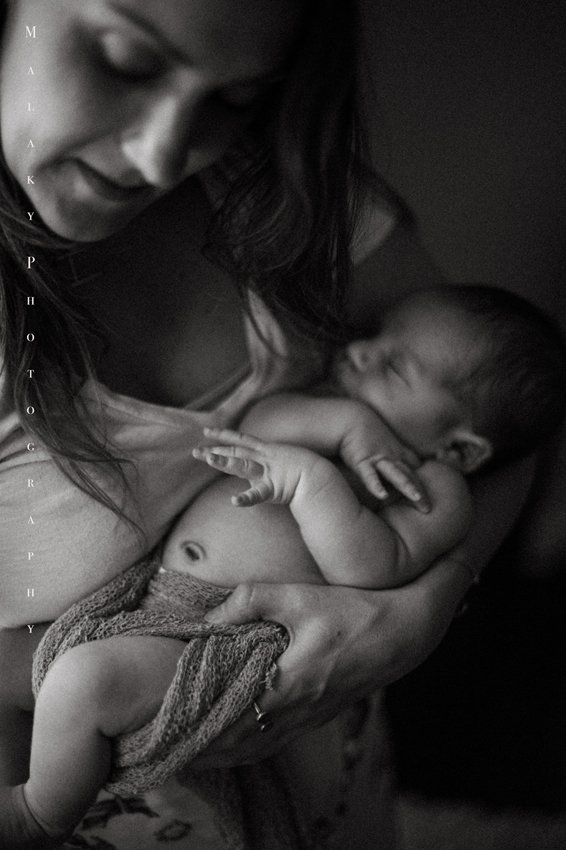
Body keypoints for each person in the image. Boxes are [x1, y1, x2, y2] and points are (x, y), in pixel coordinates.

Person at [0, 1, 537, 848]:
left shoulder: (284, 199)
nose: (163, 155)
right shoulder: (347, 411)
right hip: (112, 747)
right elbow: (269, 426)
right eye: (126, 61)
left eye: (236, 99)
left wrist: (412, 619)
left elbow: (510, 436)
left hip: (323, 759)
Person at [3, 284, 564, 848]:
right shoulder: (330, 408)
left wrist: (313, 483)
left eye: (394, 367)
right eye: (374, 337)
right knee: (74, 675)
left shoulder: (434, 488)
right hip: (162, 600)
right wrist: (347, 425)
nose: (359, 351)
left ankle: (39, 812)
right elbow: (257, 426)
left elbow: (373, 569)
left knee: (83, 680)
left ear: (460, 449)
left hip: (232, 640)